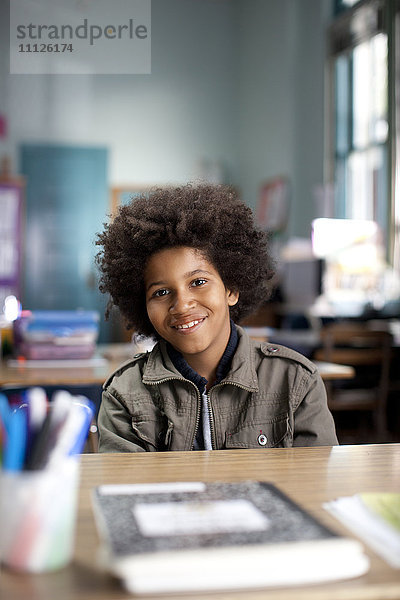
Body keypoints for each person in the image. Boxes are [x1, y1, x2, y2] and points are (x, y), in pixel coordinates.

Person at [95, 183, 337, 452]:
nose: (182, 304)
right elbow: (125, 490)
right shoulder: (124, 392)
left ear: (231, 289)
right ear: (143, 305)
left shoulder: (294, 380)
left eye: (198, 282)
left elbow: (317, 486)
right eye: (161, 292)